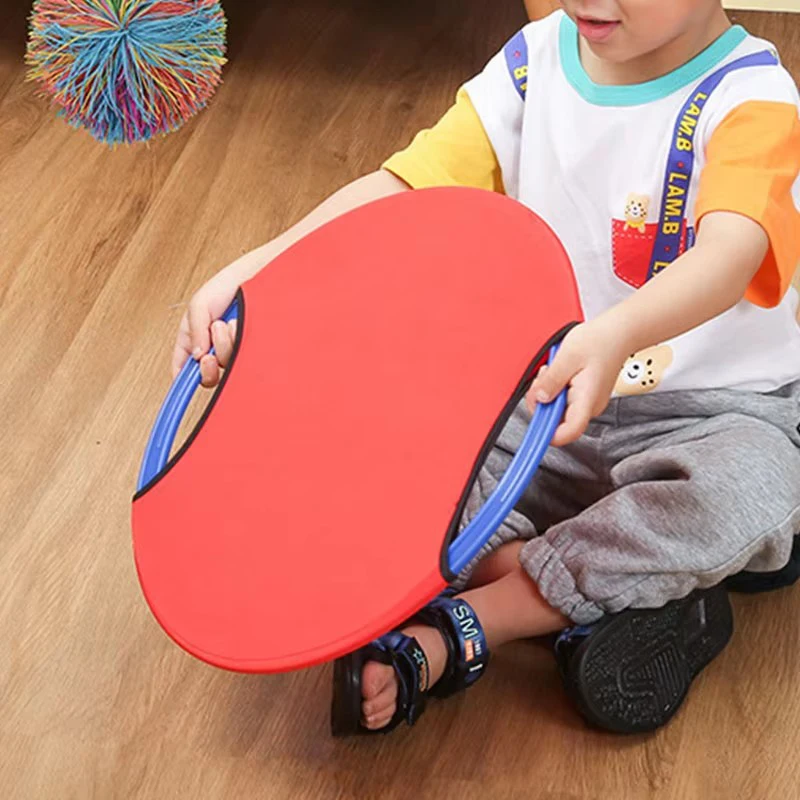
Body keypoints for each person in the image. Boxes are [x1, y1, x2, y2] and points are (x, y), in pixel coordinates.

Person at [173, 0, 800, 735]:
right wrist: (261, 270)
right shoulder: (534, 63)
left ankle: (476, 620)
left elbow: (730, 254)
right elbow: (404, 186)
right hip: (540, 401)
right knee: (401, 457)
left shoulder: (750, 95)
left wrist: (614, 336)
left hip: (708, 414)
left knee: (752, 486)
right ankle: (620, 592)